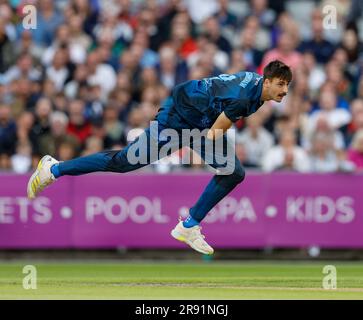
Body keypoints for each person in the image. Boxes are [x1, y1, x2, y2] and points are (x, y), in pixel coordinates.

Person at [27, 60, 292, 255]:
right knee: (123, 162)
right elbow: (216, 130)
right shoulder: (247, 98)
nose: (285, 90)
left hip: (195, 115)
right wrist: (196, 148)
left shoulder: (257, 85)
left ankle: (189, 225)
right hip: (180, 119)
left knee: (233, 171)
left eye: (287, 85)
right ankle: (54, 168)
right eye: (280, 84)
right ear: (267, 81)